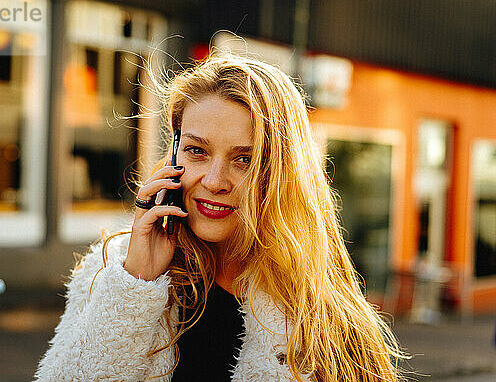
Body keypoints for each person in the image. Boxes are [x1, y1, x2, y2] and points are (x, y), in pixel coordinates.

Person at [33, 49, 406, 381]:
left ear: (281, 174)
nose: (214, 181)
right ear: (175, 148)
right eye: (197, 151)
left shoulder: (325, 320)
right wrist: (136, 284)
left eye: (244, 159)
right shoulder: (114, 276)